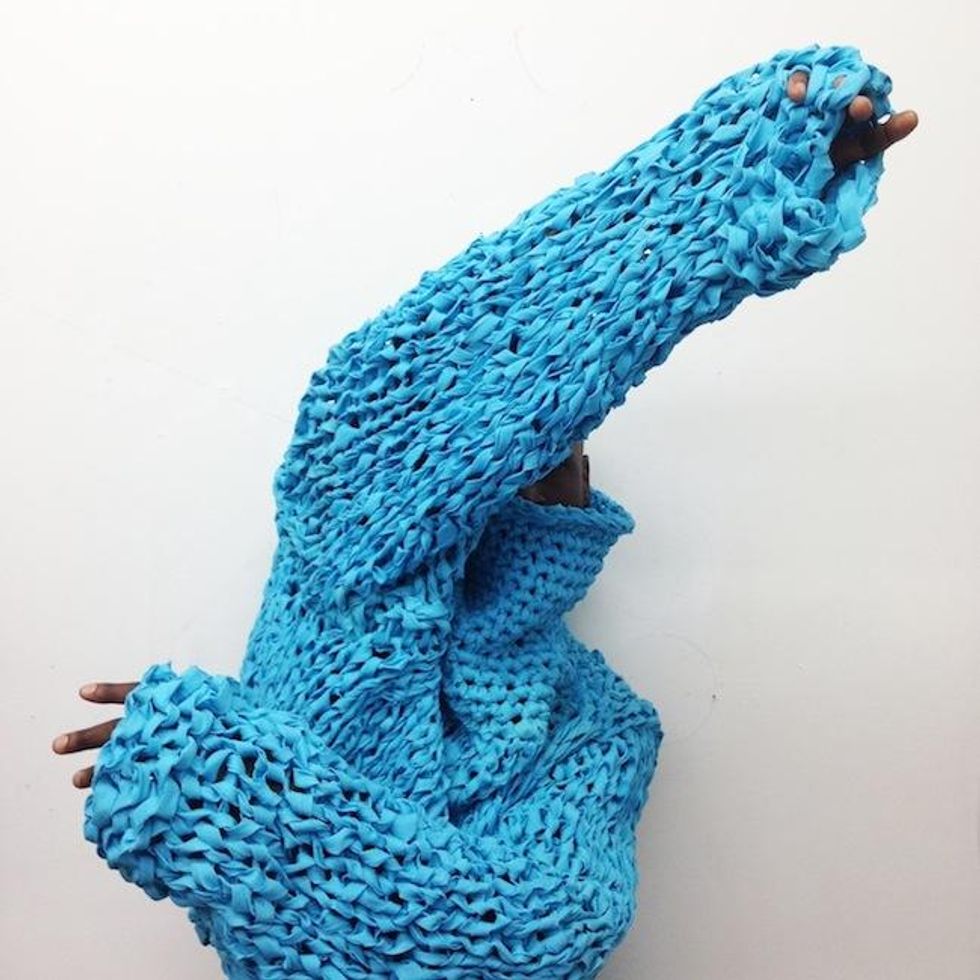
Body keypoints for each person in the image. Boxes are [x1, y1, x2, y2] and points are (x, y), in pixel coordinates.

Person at [52, 59, 918, 976]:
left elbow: (539, 943)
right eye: (522, 448)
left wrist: (225, 791)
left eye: (566, 451)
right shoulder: (347, 588)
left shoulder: (605, 726)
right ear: (471, 479)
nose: (542, 467)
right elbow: (382, 408)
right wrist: (719, 184)